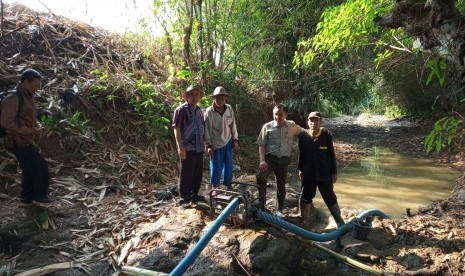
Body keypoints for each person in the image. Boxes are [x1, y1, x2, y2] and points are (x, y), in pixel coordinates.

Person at [0, 68, 52, 204]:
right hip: (17, 141)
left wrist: (37, 125)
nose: (37, 89)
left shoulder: (27, 97)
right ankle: (39, 195)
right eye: (35, 85)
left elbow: (28, 117)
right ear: (25, 82)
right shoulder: (13, 98)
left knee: (28, 168)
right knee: (40, 166)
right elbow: (6, 122)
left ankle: (26, 196)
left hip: (26, 139)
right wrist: (29, 131)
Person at [297, 111, 344, 228]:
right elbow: (301, 154)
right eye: (311, 120)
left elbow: (331, 154)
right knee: (305, 196)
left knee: (329, 196)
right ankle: (305, 221)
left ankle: (339, 221)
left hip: (324, 173)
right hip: (308, 173)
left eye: (316, 120)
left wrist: (334, 172)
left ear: (320, 122)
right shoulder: (303, 135)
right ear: (308, 122)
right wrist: (300, 169)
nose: (314, 123)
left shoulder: (326, 134)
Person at [256, 103, 302, 216]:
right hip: (269, 159)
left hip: (283, 160)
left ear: (286, 114)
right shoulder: (267, 127)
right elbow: (261, 145)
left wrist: (317, 130)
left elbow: (304, 131)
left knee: (281, 184)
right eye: (276, 114)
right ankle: (261, 205)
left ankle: (279, 210)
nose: (278, 117)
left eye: (280, 114)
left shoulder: (292, 126)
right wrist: (262, 160)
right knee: (260, 177)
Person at [172, 84, 205, 207]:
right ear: (186, 96)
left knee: (197, 173)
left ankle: (194, 195)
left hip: (199, 147)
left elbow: (202, 127)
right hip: (187, 148)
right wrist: (180, 147)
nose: (194, 97)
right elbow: (177, 129)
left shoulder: (199, 111)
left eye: (197, 95)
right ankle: (184, 199)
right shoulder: (181, 110)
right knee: (186, 173)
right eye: (191, 95)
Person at [204, 86, 239, 190]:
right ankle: (214, 187)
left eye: (222, 98)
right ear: (214, 98)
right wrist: (209, 145)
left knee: (228, 165)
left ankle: (228, 184)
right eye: (218, 98)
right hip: (215, 143)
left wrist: (235, 139)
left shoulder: (229, 108)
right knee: (216, 166)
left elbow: (233, 124)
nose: (220, 100)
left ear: (225, 98)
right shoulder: (209, 111)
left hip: (227, 141)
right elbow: (207, 129)